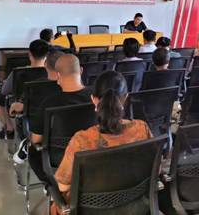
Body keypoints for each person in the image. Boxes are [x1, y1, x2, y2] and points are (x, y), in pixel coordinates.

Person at [52, 71, 152, 211]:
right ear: (125, 98)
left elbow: (63, 186)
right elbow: (155, 168)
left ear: (93, 99)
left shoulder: (82, 141)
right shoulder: (142, 129)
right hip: (135, 208)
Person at [27, 54, 92, 180]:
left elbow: (36, 139)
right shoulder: (96, 96)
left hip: (59, 158)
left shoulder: (49, 103)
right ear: (81, 70)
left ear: (58, 75)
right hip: (92, 152)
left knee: (33, 151)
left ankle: (51, 185)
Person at [0, 39, 49, 139]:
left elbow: (4, 91)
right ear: (47, 55)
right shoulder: (51, 72)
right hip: (45, 104)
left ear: (30, 54)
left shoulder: (19, 72)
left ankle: (9, 129)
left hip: (22, 105)